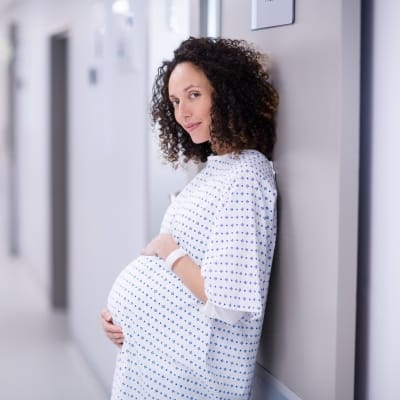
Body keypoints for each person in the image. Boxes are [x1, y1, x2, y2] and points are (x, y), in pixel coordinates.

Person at [101, 36, 279, 400]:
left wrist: (168, 250)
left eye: (194, 95)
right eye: (175, 101)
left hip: (190, 381)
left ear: (227, 93)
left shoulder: (247, 175)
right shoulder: (217, 170)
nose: (182, 113)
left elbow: (228, 303)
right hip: (156, 367)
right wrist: (124, 318)